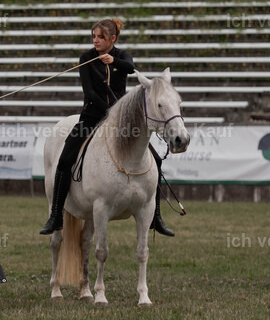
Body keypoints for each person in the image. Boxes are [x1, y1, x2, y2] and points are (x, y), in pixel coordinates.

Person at [39, 18, 173, 237]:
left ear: (112, 39)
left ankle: (156, 216)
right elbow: (90, 92)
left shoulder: (122, 56)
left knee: (156, 159)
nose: (96, 41)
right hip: (92, 117)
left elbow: (130, 68)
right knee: (64, 160)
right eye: (94, 37)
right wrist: (109, 113)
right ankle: (55, 215)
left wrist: (114, 62)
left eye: (101, 37)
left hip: (122, 122)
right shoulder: (86, 58)